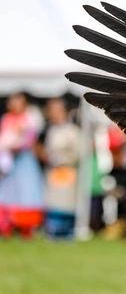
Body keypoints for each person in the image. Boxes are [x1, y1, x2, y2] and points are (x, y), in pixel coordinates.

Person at [0, 92, 44, 238]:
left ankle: (26, 228)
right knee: (7, 193)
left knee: (26, 193)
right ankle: (6, 226)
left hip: (24, 161)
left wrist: (17, 145)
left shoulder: (30, 119)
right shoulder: (6, 119)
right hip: (8, 162)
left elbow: (29, 140)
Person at [36, 97, 81, 240]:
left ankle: (67, 231)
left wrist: (64, 160)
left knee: (67, 202)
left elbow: (78, 152)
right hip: (53, 170)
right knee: (53, 201)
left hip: (67, 169)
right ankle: (53, 231)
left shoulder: (73, 131)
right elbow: (41, 148)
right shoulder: (50, 129)